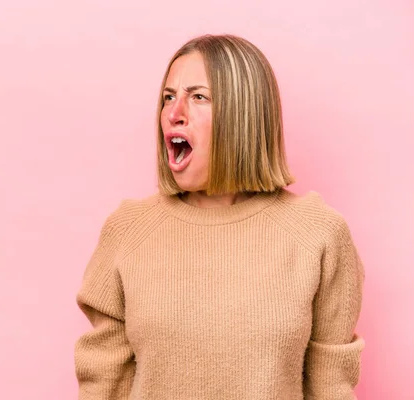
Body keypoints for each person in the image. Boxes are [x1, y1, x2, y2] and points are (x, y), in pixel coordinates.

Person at [73, 34, 365, 399]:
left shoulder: (318, 233)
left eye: (198, 97)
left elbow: (331, 388)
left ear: (244, 114)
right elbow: (103, 385)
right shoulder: (129, 230)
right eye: (168, 97)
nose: (174, 113)